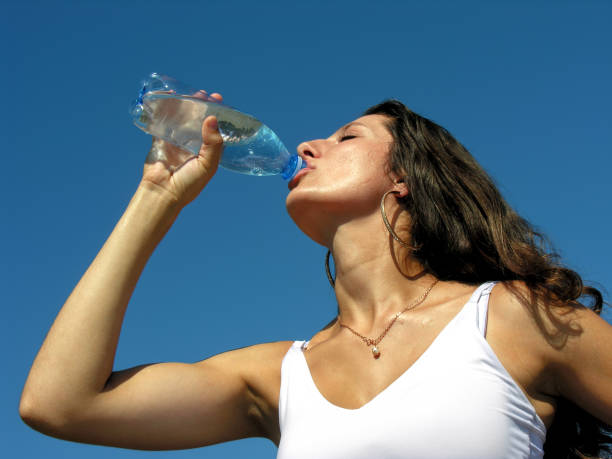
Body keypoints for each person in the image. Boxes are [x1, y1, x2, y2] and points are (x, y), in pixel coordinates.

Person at [20, 97, 612, 458]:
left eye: (346, 137)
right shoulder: (277, 376)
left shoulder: (513, 318)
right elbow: (60, 405)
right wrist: (156, 197)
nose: (307, 146)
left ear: (405, 179)